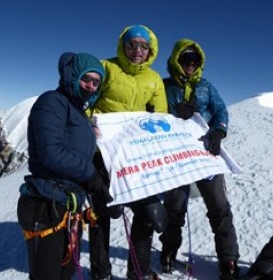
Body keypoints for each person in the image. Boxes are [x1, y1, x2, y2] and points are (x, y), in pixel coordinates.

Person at [17, 52, 112, 280]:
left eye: (95, 82)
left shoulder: (79, 112)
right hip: (46, 204)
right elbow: (52, 153)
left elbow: (76, 152)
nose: (90, 86)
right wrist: (90, 176)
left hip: (69, 205)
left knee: (66, 271)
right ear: (72, 76)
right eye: (85, 79)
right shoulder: (52, 102)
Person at [88, 24, 168, 280]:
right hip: (103, 154)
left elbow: (161, 116)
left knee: (145, 214)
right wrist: (89, 123)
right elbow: (87, 99)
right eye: (132, 44)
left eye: (143, 46)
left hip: (135, 156)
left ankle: (138, 272)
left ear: (150, 49)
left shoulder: (154, 79)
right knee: (102, 214)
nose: (137, 50)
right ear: (123, 45)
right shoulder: (107, 67)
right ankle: (101, 273)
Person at [159, 39, 240, 280]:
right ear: (176, 59)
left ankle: (229, 260)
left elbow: (220, 110)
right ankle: (169, 250)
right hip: (176, 155)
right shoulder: (164, 86)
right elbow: (152, 113)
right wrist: (175, 114)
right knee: (174, 206)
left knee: (219, 206)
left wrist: (219, 131)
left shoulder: (206, 87)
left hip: (205, 154)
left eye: (195, 60)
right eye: (186, 59)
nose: (191, 64)